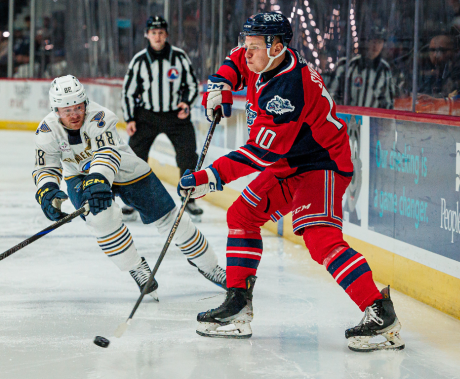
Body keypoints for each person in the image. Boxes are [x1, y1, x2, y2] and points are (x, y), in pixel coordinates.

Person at [177, 12, 404, 352]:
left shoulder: (287, 90)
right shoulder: (265, 58)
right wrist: (221, 84)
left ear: (277, 47)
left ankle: (379, 312)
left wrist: (211, 177)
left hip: (321, 164)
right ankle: (238, 305)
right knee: (242, 216)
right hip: (289, 162)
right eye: (247, 44)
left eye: (254, 46)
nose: (247, 52)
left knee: (320, 240)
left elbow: (260, 154)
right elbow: (235, 61)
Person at [33, 75, 226, 298]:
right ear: (56, 110)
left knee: (171, 218)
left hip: (125, 169)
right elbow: (45, 167)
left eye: (78, 107)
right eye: (67, 110)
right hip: (79, 177)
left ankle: (211, 267)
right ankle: (137, 268)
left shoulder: (100, 117)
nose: (74, 114)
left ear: (85, 103)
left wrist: (98, 179)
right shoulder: (46, 131)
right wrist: (47, 192)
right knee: (101, 221)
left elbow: (106, 154)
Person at [121, 16, 202, 221]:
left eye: (161, 32)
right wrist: (130, 118)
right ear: (147, 35)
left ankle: (189, 199)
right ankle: (132, 202)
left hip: (176, 115)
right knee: (135, 158)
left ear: (166, 35)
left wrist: (186, 102)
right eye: (153, 32)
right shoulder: (139, 60)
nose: (157, 37)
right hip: (146, 115)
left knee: (187, 155)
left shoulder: (179, 57)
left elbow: (192, 84)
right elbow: (129, 92)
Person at [328, 25, 395, 109]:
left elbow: (388, 103)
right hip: (347, 119)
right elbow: (332, 94)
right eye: (373, 41)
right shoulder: (350, 65)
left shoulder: (384, 70)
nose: (376, 46)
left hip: (372, 121)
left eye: (379, 42)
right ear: (367, 42)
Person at [419, 33, 460, 99]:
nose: (435, 55)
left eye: (442, 50)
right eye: (432, 50)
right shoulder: (440, 67)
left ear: (456, 51)